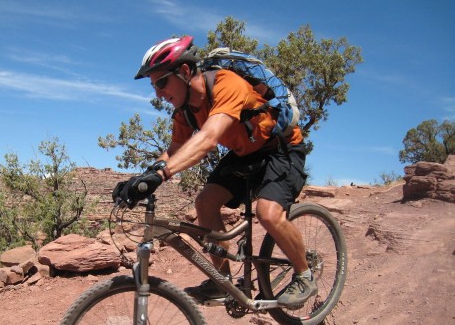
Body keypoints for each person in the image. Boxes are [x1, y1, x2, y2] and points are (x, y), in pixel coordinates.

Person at [115, 35, 316, 309]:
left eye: (162, 82)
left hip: (279, 148)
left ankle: (304, 275)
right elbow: (175, 149)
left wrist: (161, 176)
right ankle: (224, 282)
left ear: (185, 72)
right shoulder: (183, 111)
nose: (158, 93)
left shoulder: (227, 84)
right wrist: (141, 179)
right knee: (205, 203)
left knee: (268, 213)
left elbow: (209, 138)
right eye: (154, 86)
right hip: (244, 153)